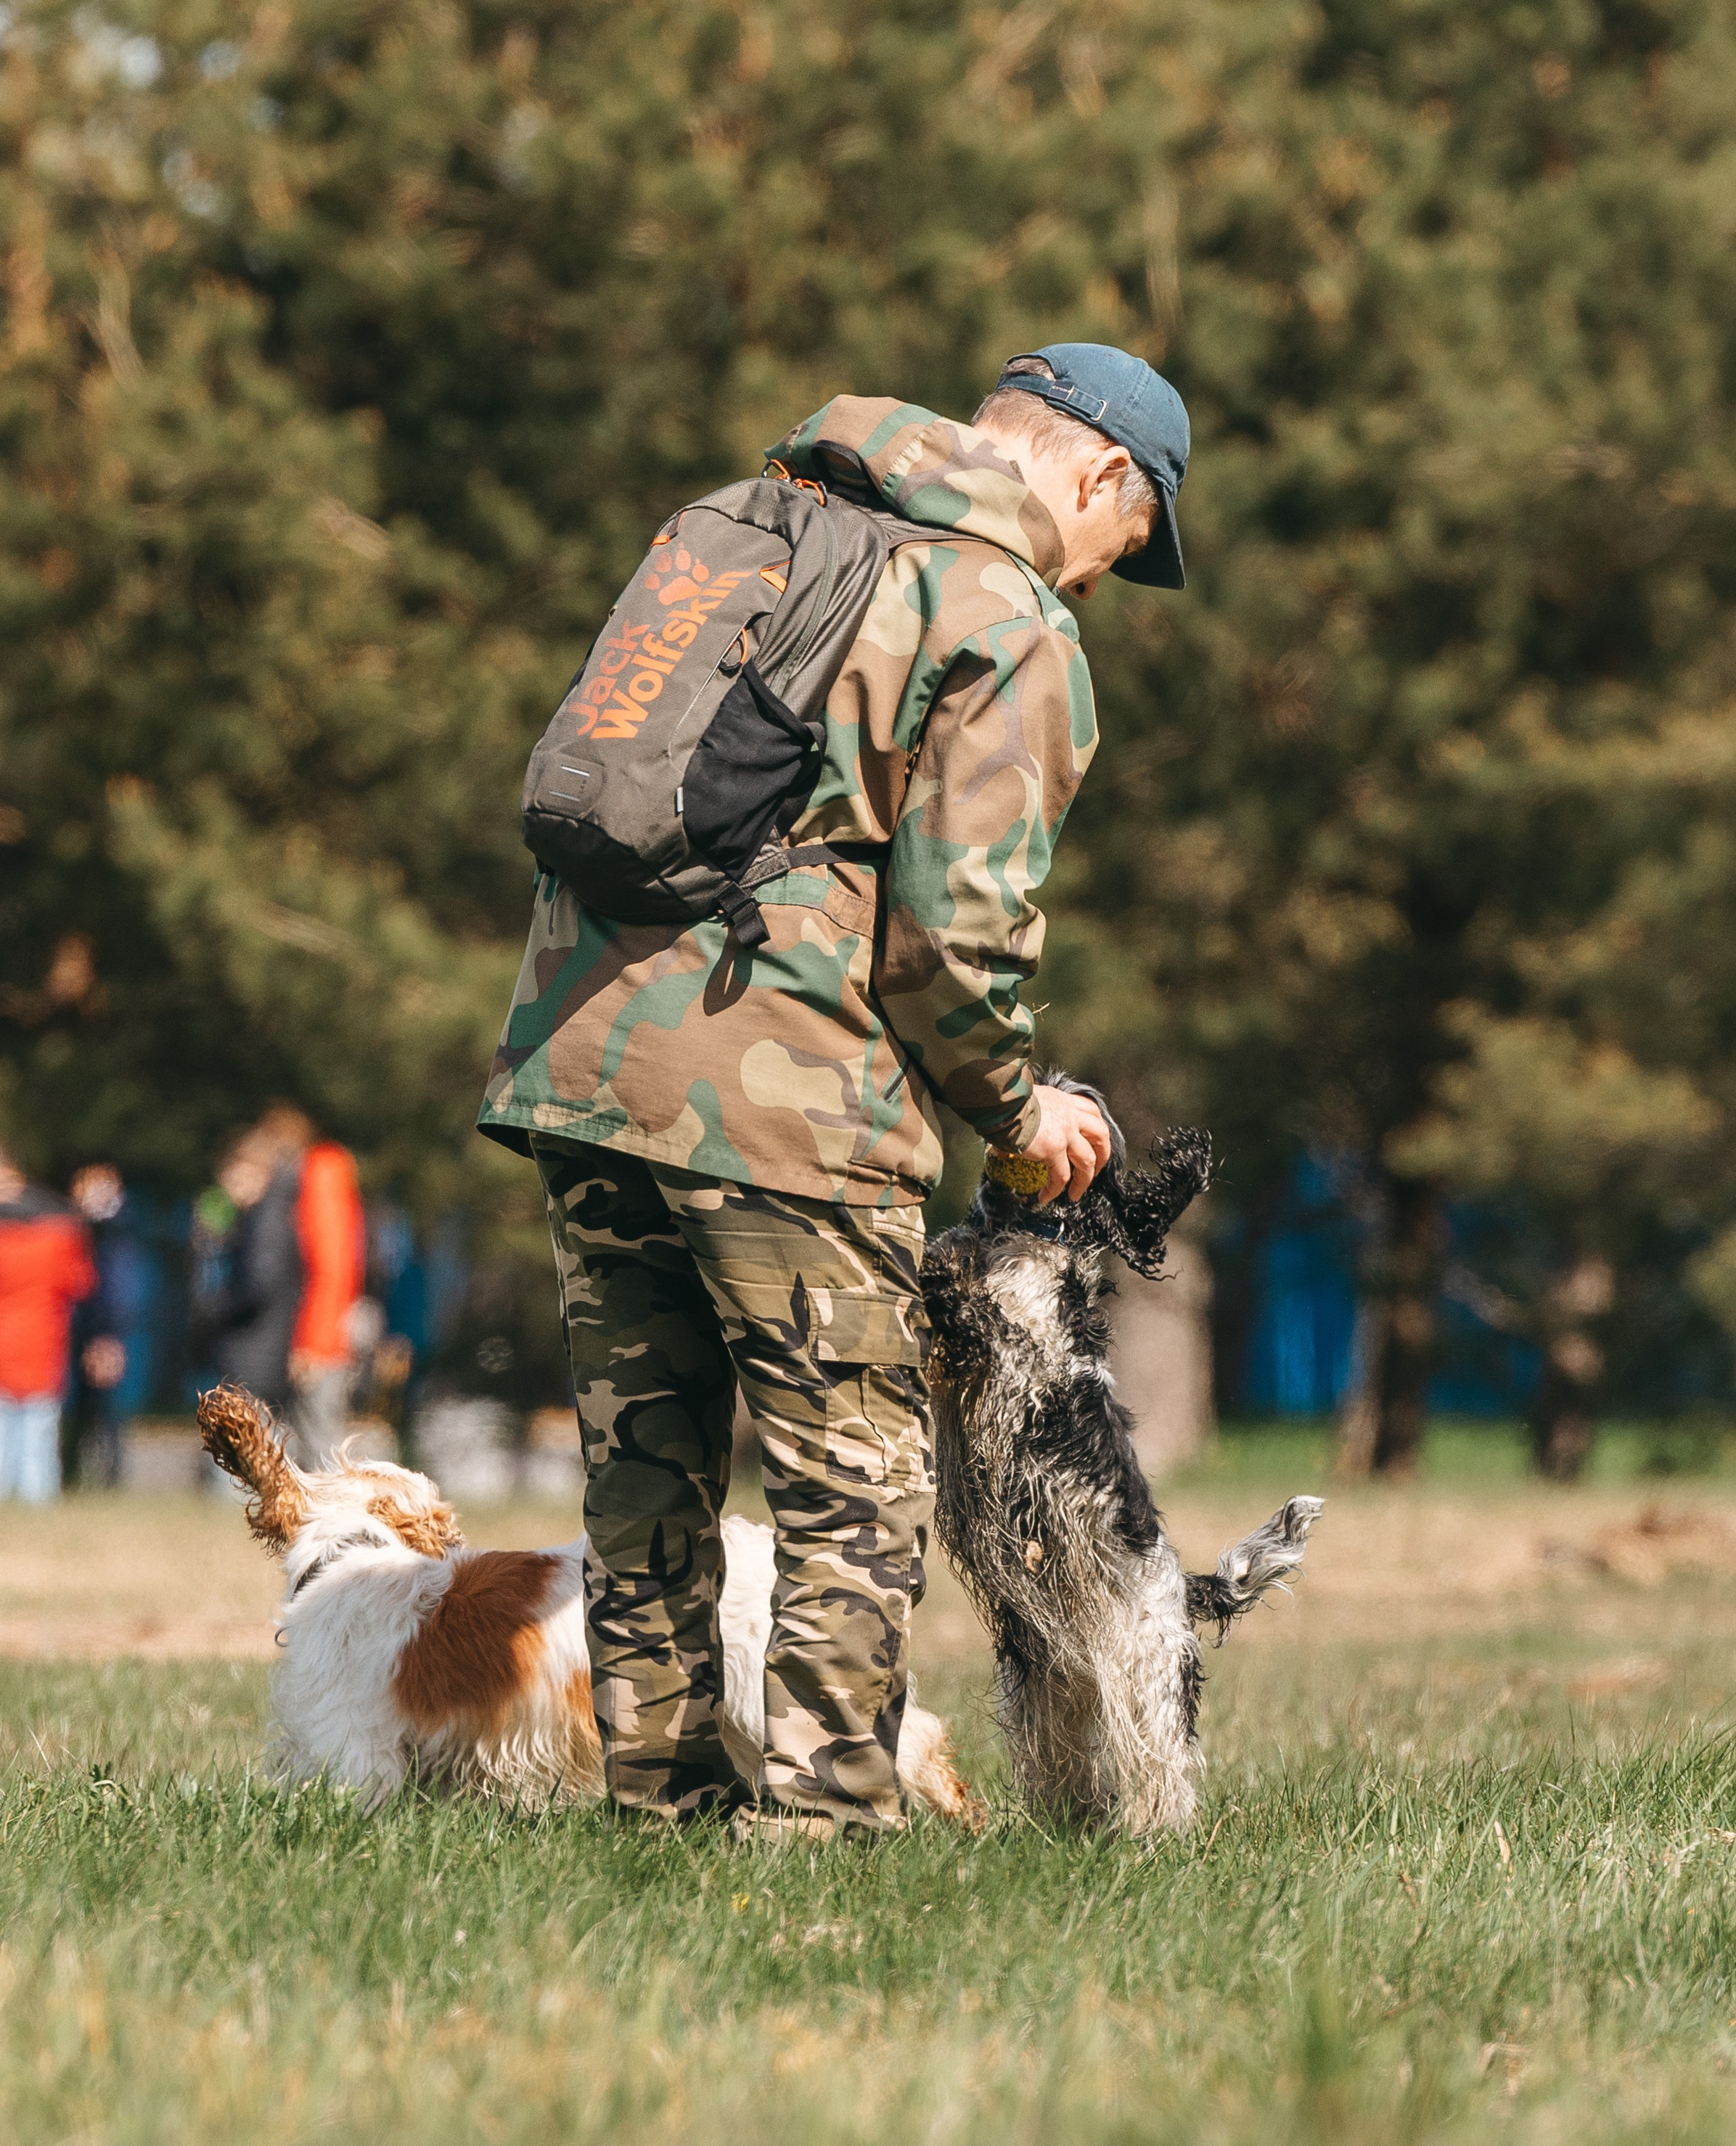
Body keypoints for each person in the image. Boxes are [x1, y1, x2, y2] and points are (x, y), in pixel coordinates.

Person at [480, 342, 1190, 1839]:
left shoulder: (727, 525)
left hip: (581, 1055)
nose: (1106, 579)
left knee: (646, 1476)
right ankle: (821, 1843)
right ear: (1102, 474)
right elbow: (952, 940)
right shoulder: (1001, 610)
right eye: (1128, 546)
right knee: (850, 1488)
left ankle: (659, 1815)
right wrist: (1015, 1108)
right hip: (785, 1096)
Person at [194, 1110, 310, 1430]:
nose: (230, 1186)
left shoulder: (268, 1219)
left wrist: (219, 1309)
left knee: (245, 1448)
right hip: (258, 1347)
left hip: (256, 1350)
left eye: (237, 1176)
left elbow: (260, 1284)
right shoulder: (261, 1216)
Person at [0, 1143, 96, 1504]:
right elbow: (81, 1283)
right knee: (39, 1439)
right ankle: (39, 1504)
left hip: (4, 1344)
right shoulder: (61, 1229)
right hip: (44, 1343)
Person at [62, 1164, 155, 1491]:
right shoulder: (87, 1228)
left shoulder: (116, 1232)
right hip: (85, 1330)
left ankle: (107, 1481)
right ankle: (75, 1479)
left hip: (104, 1331)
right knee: (83, 1413)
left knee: (106, 1413)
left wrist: (108, 1335)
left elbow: (119, 1288)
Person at [288, 1132, 368, 1466]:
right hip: (333, 1333)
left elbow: (330, 1271)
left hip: (323, 1341)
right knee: (321, 1436)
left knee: (319, 1442)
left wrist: (312, 1345)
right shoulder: (335, 1177)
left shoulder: (322, 1176)